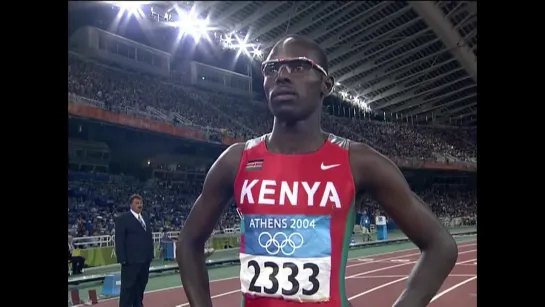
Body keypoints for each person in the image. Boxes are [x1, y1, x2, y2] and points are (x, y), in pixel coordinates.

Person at [176, 35, 458, 307]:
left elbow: (441, 246)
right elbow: (189, 240)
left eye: (299, 66)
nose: (282, 75)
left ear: (326, 84)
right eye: (272, 68)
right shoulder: (236, 160)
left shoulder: (359, 162)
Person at [115, 194, 154, 307]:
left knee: (141, 286)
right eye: (137, 203)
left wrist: (150, 255)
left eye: (141, 203)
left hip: (145, 259)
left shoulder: (145, 217)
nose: (140, 205)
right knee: (128, 288)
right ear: (131, 204)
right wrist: (122, 258)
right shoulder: (123, 219)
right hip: (131, 261)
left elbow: (148, 237)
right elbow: (119, 239)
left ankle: (138, 304)